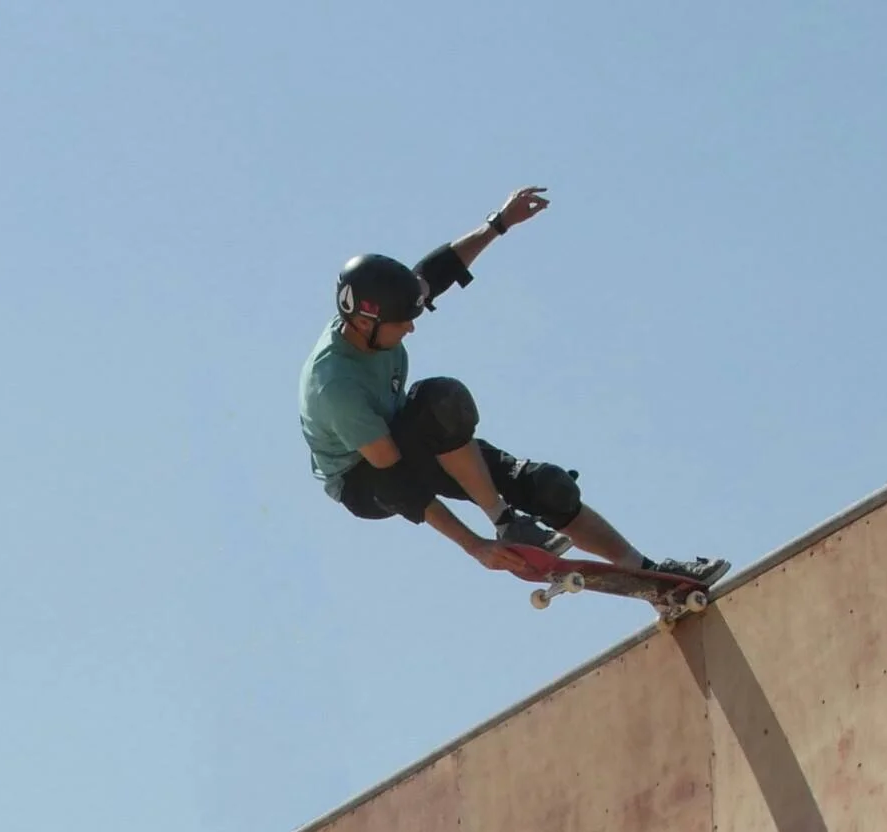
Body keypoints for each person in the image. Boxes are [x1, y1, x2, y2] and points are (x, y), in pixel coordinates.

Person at [299, 186, 729, 586]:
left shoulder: (379, 313)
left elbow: (436, 273)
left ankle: (649, 574)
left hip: (405, 437)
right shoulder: (336, 387)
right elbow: (396, 481)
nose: (411, 328)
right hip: (365, 477)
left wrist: (499, 223)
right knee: (441, 403)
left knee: (547, 488)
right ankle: (506, 523)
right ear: (364, 323)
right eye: (401, 323)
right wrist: (476, 546)